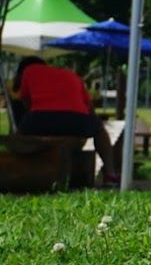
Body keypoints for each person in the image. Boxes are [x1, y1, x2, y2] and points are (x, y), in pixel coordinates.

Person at [12, 57, 120, 185]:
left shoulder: (29, 70)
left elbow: (25, 101)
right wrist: (92, 124)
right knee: (100, 130)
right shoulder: (70, 74)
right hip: (76, 119)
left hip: (41, 118)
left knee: (19, 134)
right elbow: (89, 108)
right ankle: (110, 173)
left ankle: (15, 168)